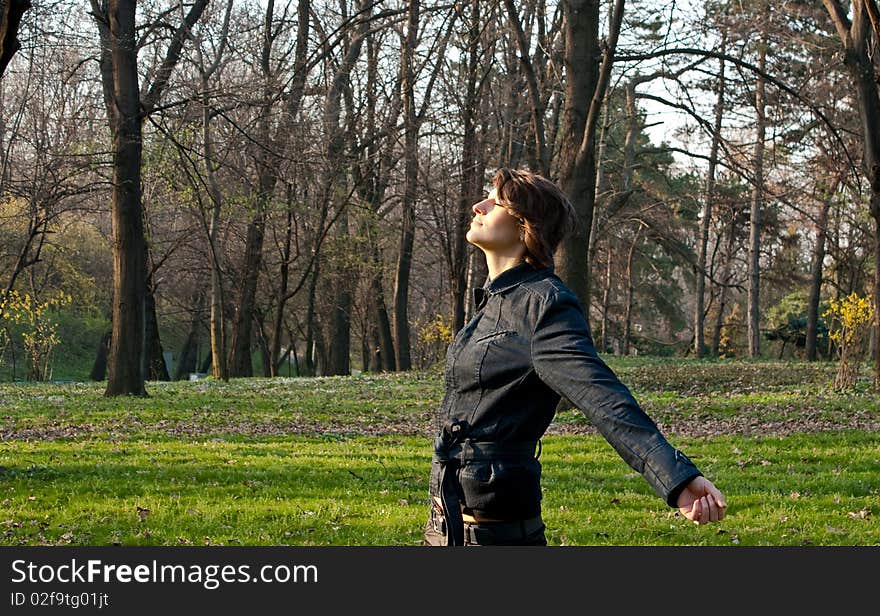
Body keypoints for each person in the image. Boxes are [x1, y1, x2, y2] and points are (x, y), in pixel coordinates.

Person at [424, 167, 726, 546]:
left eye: (495, 201)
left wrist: (677, 478)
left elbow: (604, 399)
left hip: (496, 537)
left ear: (525, 225)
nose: (478, 206)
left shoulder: (545, 307)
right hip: (444, 527)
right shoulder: (492, 302)